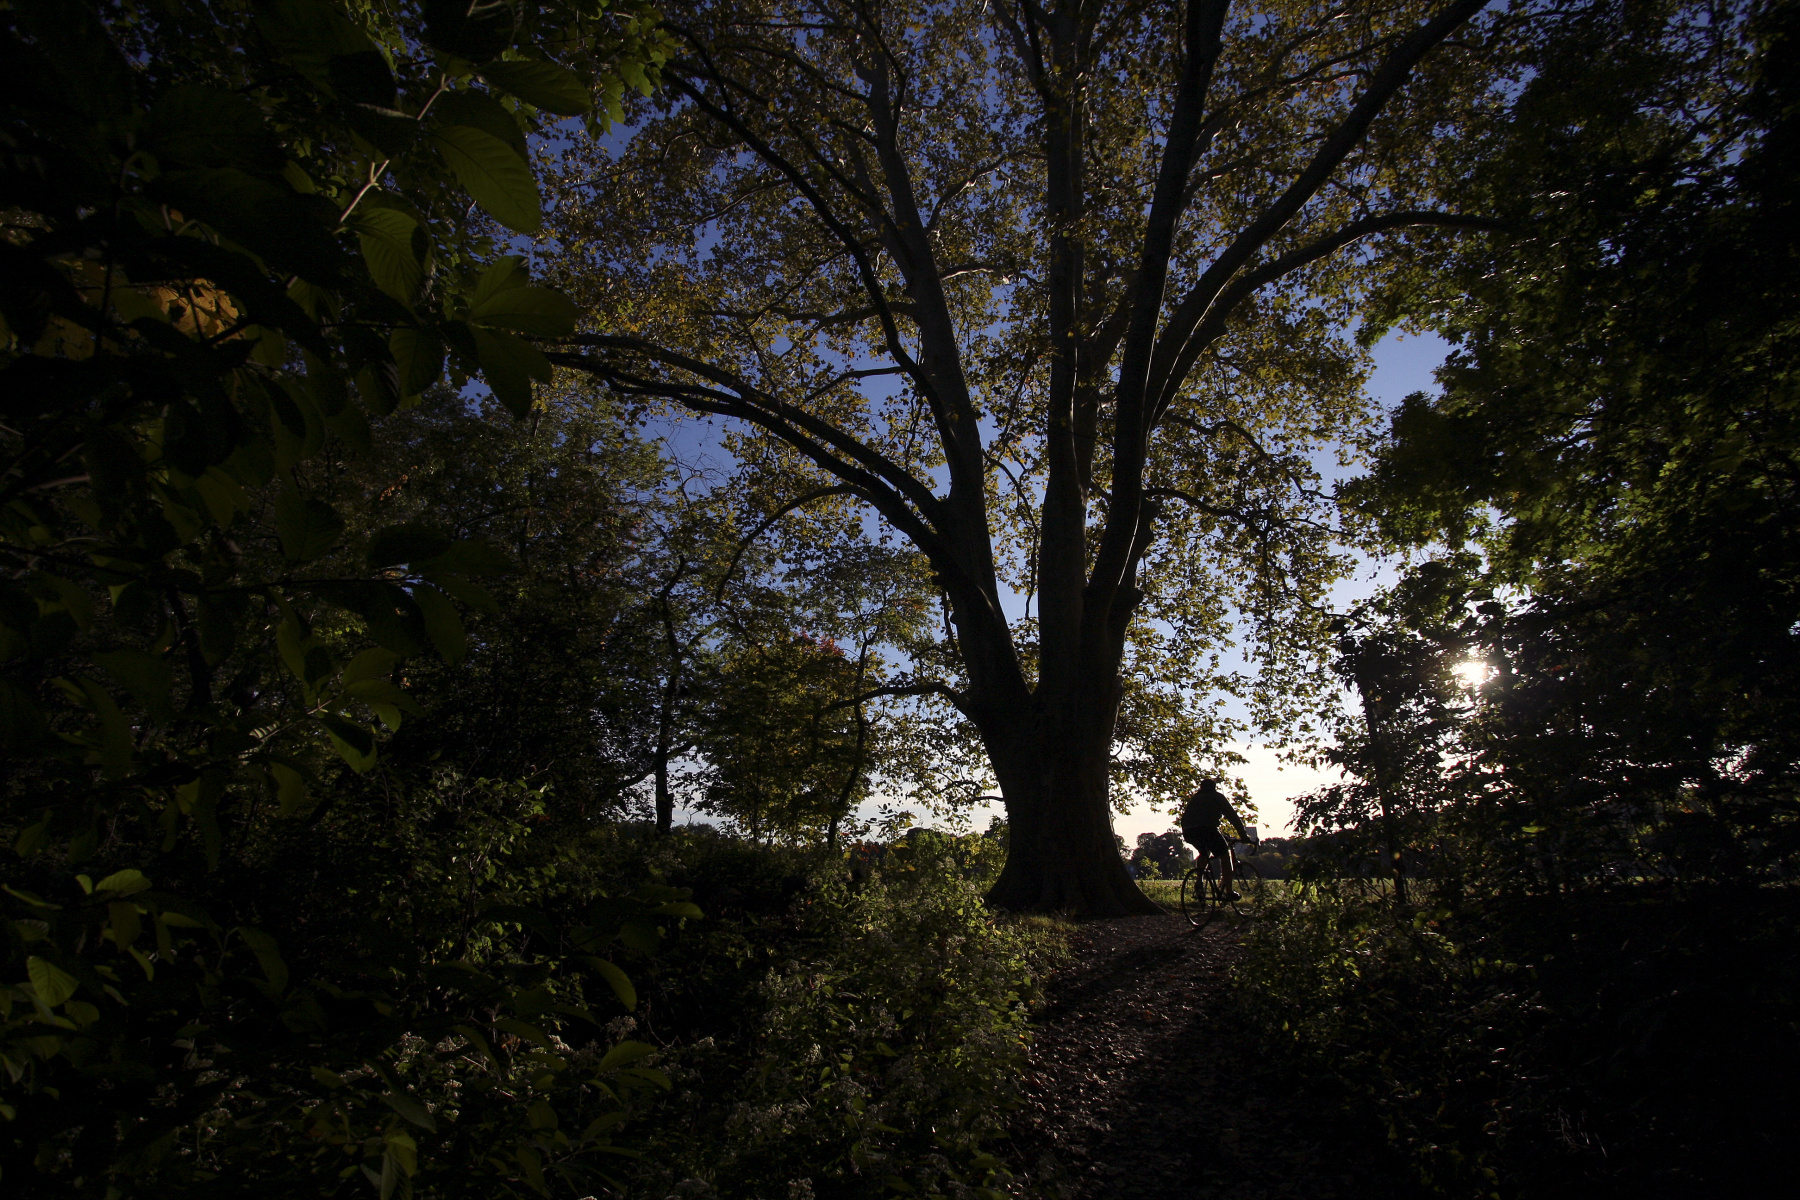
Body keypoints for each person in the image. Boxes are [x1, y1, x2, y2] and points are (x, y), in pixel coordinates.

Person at [1180, 779, 1255, 901]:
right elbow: (1233, 817)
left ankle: (1199, 882)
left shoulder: (1195, 798)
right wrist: (1243, 835)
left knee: (1204, 852)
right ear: (1214, 787)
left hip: (1189, 831)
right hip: (1207, 829)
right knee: (1225, 855)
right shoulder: (1217, 797)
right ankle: (1229, 891)